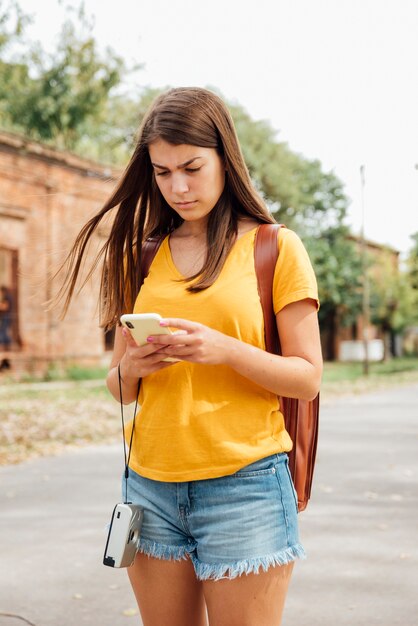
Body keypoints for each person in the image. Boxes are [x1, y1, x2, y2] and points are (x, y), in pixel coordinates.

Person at [59, 87, 322, 626]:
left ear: (226, 159)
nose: (177, 187)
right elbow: (118, 386)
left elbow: (307, 378)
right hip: (149, 486)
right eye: (161, 172)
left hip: (244, 485)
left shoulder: (275, 248)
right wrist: (131, 369)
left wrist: (223, 349)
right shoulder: (139, 257)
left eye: (192, 167)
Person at [0, 285, 13, 371]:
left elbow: (5, 307)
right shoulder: (7, 297)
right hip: (6, 319)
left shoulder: (7, 297)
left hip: (6, 319)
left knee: (3, 337)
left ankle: (5, 357)